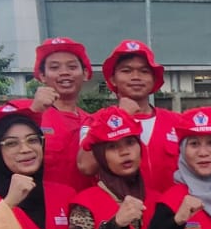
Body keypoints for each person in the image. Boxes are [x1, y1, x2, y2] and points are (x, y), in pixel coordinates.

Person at [77, 40, 182, 192]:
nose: (136, 77)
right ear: (113, 79)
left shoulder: (177, 122)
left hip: (171, 206)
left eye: (144, 71)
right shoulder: (95, 121)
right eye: (126, 71)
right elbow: (86, 167)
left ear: (154, 79)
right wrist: (122, 115)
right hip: (121, 207)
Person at [32, 37, 97, 192]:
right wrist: (34, 111)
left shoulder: (94, 122)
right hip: (44, 204)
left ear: (85, 73)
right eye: (54, 67)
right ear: (42, 75)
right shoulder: (29, 117)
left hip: (85, 205)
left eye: (72, 67)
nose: (64, 73)